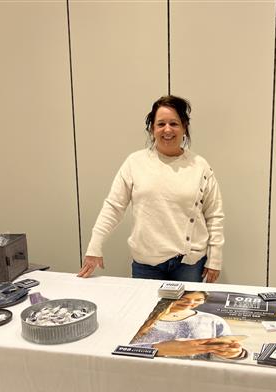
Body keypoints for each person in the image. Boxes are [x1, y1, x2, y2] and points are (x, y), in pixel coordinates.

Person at [77, 95, 224, 283]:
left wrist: (215, 258)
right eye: (161, 124)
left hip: (189, 264)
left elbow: (214, 214)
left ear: (184, 127)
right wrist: (94, 246)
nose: (167, 129)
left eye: (174, 123)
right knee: (144, 304)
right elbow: (113, 207)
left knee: (185, 304)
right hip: (146, 264)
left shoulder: (200, 166)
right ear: (152, 128)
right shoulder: (135, 163)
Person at [130, 291, 248, 359]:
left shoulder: (213, 320)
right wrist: (158, 349)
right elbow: (120, 349)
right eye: (183, 298)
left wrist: (235, 353)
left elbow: (225, 354)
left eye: (198, 299)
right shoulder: (139, 315)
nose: (190, 303)